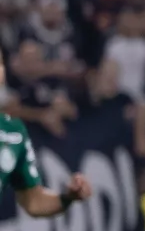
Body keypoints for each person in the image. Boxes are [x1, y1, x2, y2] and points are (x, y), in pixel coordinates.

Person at [0, 47, 95, 217]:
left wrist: (67, 197)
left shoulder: (13, 134)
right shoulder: (14, 90)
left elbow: (35, 203)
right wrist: (40, 115)